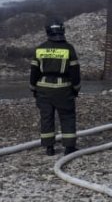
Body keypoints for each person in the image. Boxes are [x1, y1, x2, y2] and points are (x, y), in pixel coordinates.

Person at [29, 18, 81, 156]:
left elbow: (34, 72)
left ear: (48, 32)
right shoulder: (68, 48)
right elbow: (75, 72)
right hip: (63, 88)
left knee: (46, 117)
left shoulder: (40, 49)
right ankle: (69, 147)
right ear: (62, 30)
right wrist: (76, 88)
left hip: (43, 88)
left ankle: (49, 148)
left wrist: (33, 88)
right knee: (67, 116)